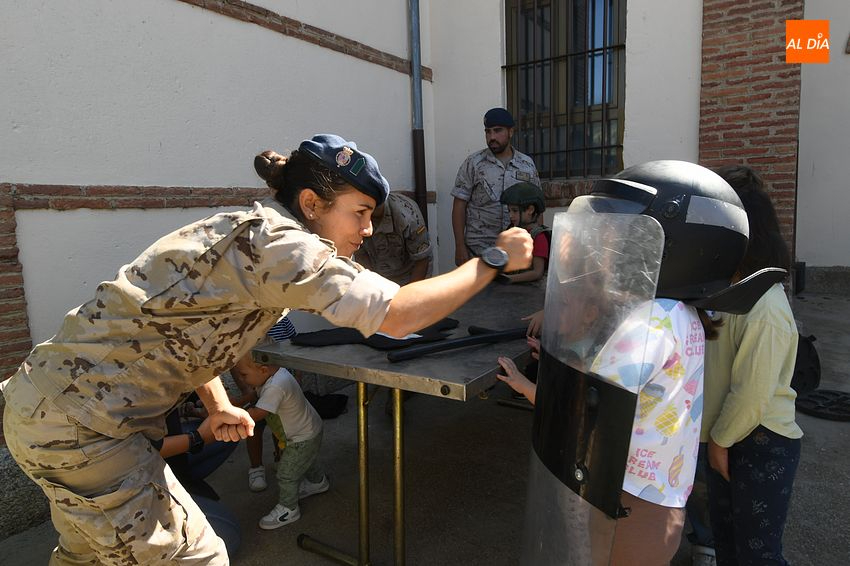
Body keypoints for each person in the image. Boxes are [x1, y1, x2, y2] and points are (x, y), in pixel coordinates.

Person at [1, 133, 532, 564]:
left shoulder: (245, 232)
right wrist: (491, 259)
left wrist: (217, 404)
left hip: (45, 411)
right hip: (88, 430)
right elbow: (396, 315)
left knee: (89, 557)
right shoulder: (282, 244)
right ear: (311, 204)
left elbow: (185, 333)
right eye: (360, 212)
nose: (368, 230)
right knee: (197, 559)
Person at [507, 160, 762, 566]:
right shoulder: (684, 314)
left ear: (675, 247)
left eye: (625, 237)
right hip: (661, 504)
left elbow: (588, 410)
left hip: (627, 506)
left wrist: (532, 385)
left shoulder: (649, 324)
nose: (611, 251)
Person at [702, 165, 802, 566]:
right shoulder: (727, 292)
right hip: (725, 435)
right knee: (728, 544)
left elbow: (752, 393)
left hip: (761, 442)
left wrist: (719, 442)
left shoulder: (766, 306)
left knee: (758, 555)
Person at [231, 353, 328, 530]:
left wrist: (230, 416)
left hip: (301, 438)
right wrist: (236, 402)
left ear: (263, 369)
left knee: (286, 474)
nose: (242, 380)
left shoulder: (275, 387)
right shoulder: (274, 375)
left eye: (244, 375)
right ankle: (317, 482)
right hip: (308, 431)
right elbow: (255, 395)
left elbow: (257, 414)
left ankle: (289, 509)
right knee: (305, 460)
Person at [452, 107, 540, 265]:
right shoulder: (474, 163)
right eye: (488, 132)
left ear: (510, 132)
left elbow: (537, 206)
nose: (492, 137)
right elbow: (459, 205)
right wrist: (459, 246)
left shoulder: (527, 165)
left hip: (516, 250)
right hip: (478, 250)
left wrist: (537, 244)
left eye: (498, 131)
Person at [354, 191, 432, 285]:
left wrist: (410, 291)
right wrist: (372, 285)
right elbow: (361, 257)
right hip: (377, 277)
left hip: (410, 275)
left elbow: (422, 260)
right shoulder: (355, 216)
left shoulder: (407, 216)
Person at [499, 182, 550, 284]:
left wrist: (510, 279)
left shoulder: (538, 237)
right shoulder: (511, 232)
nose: (511, 215)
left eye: (515, 211)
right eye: (509, 211)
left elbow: (537, 272)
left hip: (531, 289)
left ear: (530, 210)